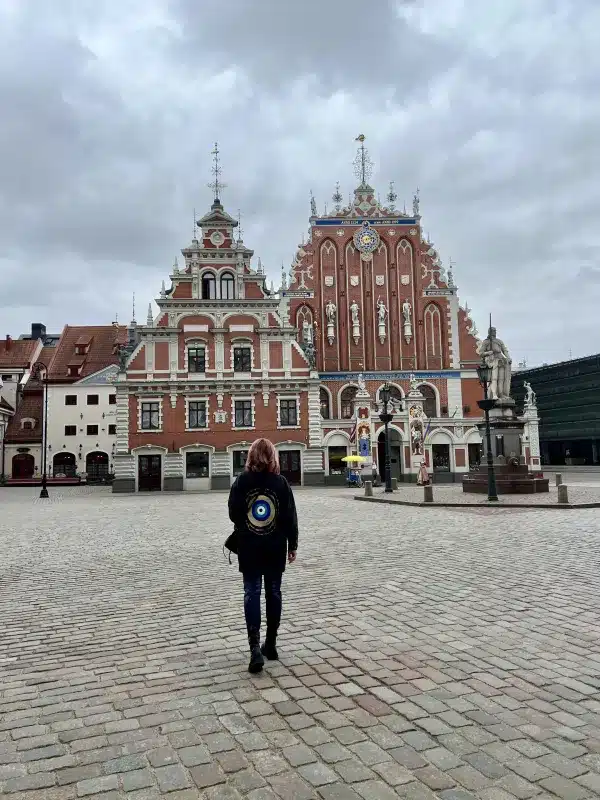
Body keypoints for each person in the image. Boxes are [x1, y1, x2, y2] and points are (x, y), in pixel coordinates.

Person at [228, 438, 298, 674]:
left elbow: (233, 514)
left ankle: (255, 649)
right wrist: (293, 544)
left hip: (249, 545)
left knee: (251, 592)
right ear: (273, 457)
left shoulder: (241, 481)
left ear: (250, 456)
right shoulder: (281, 483)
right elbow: (290, 516)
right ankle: (272, 644)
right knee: (274, 592)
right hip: (275, 545)